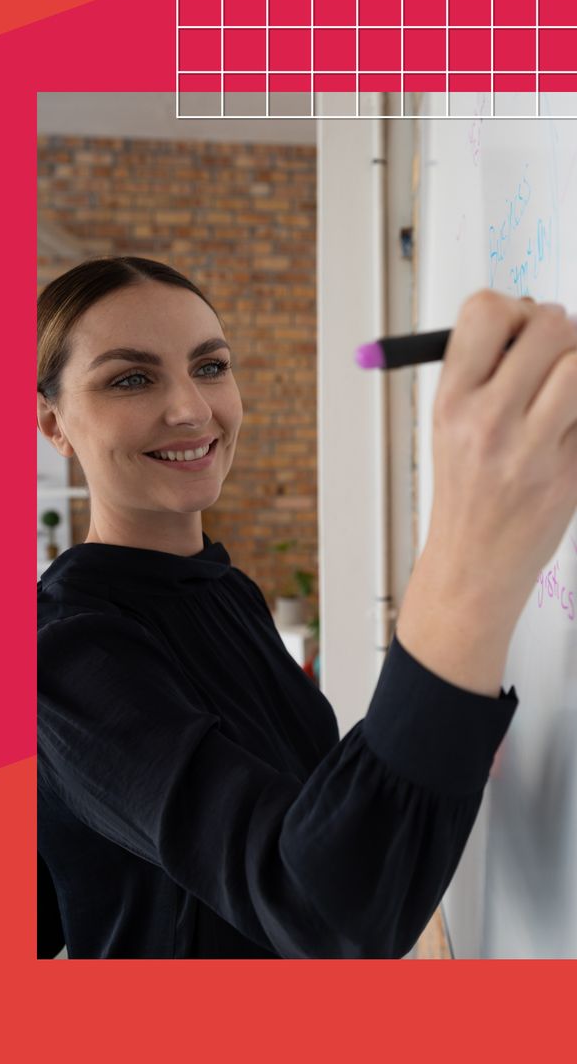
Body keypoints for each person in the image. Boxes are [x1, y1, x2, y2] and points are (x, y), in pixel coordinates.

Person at [35, 256, 577, 959]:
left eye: (210, 366)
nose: (192, 410)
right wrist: (470, 562)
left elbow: (298, 812)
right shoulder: (68, 650)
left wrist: (444, 730)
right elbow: (318, 909)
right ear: (53, 421)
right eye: (131, 378)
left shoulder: (223, 589)